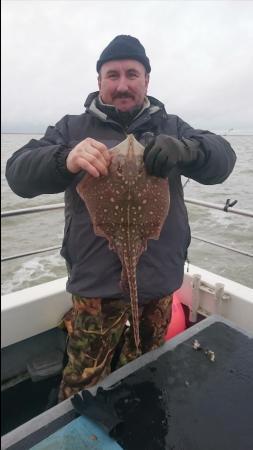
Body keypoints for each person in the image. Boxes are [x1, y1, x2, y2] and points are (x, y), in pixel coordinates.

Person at [5, 35, 236, 401]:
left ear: (147, 80)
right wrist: (64, 158)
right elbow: (17, 172)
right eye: (113, 75)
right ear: (99, 82)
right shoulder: (71, 129)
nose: (123, 84)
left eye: (133, 74)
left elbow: (223, 158)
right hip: (95, 287)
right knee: (84, 377)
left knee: (146, 366)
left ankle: (135, 414)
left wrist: (188, 150)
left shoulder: (173, 127)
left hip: (160, 282)